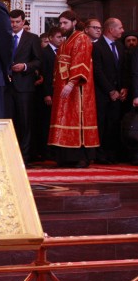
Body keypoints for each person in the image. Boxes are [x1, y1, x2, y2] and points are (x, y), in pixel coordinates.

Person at [48, 10, 99, 168]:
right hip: (63, 88)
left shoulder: (81, 38)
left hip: (77, 88)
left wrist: (71, 83)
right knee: (63, 118)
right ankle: (65, 157)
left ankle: (81, 157)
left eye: (65, 23)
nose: (62, 26)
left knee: (77, 118)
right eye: (60, 23)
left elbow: (81, 62)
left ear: (74, 22)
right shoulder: (65, 42)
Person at [6, 9, 41, 163]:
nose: (14, 25)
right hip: (6, 86)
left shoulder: (32, 38)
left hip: (25, 86)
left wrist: (25, 66)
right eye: (12, 22)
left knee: (25, 122)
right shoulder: (4, 37)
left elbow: (38, 61)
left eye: (17, 22)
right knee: (9, 121)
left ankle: (25, 157)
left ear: (23, 22)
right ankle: (10, 155)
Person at [93, 18, 128, 164]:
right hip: (102, 94)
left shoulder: (119, 46)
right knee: (102, 124)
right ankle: (100, 155)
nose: (122, 31)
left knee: (114, 124)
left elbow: (123, 69)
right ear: (110, 29)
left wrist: (124, 87)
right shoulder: (97, 47)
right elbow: (97, 71)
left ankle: (111, 154)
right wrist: (110, 90)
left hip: (118, 94)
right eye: (120, 28)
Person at [36, 26, 63, 160]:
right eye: (58, 37)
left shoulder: (62, 51)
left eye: (62, 37)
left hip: (59, 92)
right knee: (46, 122)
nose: (61, 39)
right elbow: (45, 74)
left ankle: (55, 150)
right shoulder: (44, 52)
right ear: (50, 38)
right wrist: (47, 93)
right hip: (48, 92)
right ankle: (45, 151)